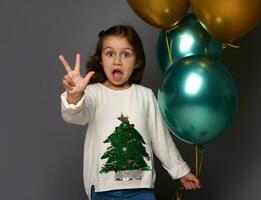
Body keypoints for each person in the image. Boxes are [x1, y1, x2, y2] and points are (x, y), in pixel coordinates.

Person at [59, 25, 201, 200]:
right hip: (103, 188)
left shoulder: (145, 96)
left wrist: (180, 171)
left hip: (140, 189)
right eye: (110, 53)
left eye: (126, 54)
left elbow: (160, 138)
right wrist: (75, 95)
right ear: (101, 59)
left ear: (137, 62)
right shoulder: (93, 93)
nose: (117, 61)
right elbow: (75, 115)